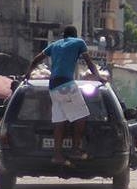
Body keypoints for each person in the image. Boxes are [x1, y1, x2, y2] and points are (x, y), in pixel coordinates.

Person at [26, 25, 99, 165]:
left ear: (63, 36)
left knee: (60, 121)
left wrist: (28, 73)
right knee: (81, 116)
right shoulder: (79, 42)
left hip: (53, 85)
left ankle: (57, 155)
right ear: (75, 35)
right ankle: (76, 149)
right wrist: (98, 77)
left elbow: (36, 59)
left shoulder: (54, 45)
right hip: (66, 84)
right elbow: (89, 62)